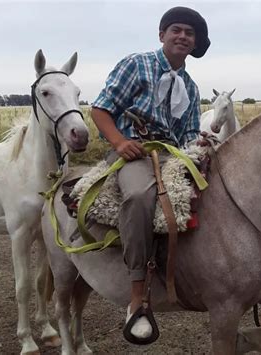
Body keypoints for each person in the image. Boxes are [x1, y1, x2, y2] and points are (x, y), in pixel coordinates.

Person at [91, 6, 210, 340]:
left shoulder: (191, 86)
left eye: (190, 33)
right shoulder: (137, 64)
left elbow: (187, 136)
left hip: (173, 156)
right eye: (177, 30)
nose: (183, 36)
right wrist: (118, 141)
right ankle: (137, 296)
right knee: (140, 197)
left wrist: (198, 151)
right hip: (136, 152)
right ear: (162, 35)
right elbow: (100, 108)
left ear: (194, 42)